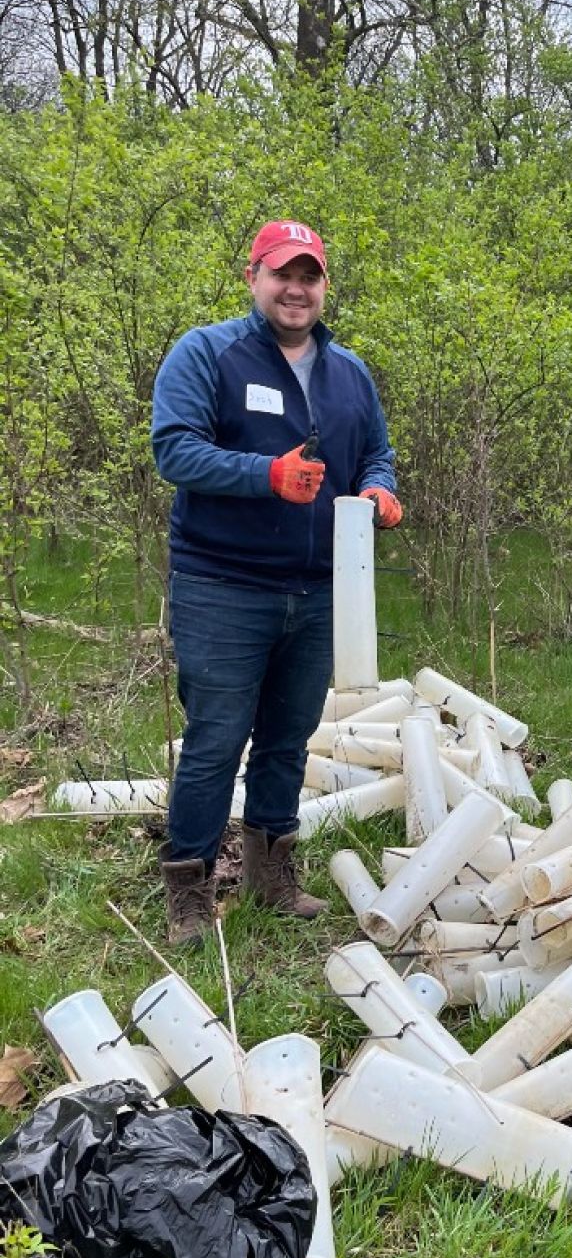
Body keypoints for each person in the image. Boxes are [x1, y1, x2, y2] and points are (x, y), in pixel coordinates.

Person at [151, 219, 401, 945]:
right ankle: (189, 886)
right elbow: (175, 451)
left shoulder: (349, 373)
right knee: (216, 738)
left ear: (324, 286)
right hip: (222, 584)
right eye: (281, 273)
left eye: (309, 275)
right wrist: (266, 476)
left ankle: (271, 872)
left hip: (319, 590)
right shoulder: (208, 354)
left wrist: (380, 490)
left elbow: (376, 454)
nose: (296, 288)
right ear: (253, 277)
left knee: (289, 737)